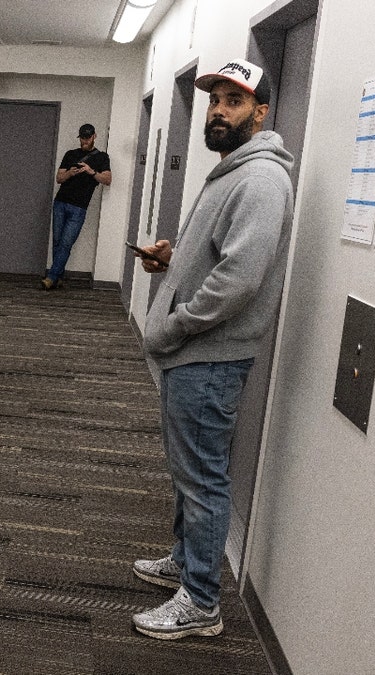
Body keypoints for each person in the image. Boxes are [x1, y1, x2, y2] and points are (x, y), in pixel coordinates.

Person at [128, 59, 293, 640]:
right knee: (188, 470)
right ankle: (185, 560)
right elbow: (221, 258)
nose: (219, 109)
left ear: (261, 112)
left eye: (234, 100)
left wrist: (173, 324)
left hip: (210, 355)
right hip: (197, 353)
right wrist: (174, 261)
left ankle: (201, 601)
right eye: (214, 99)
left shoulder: (261, 179)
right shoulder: (230, 173)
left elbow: (239, 280)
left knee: (202, 479)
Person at [41, 123, 112, 290]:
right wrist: (70, 173)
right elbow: (59, 178)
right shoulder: (70, 154)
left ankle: (51, 277)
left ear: (94, 136)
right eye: (82, 138)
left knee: (66, 243)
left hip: (79, 207)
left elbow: (107, 180)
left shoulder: (102, 157)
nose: (84, 141)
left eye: (87, 138)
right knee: (58, 241)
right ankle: (58, 276)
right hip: (61, 202)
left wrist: (91, 171)